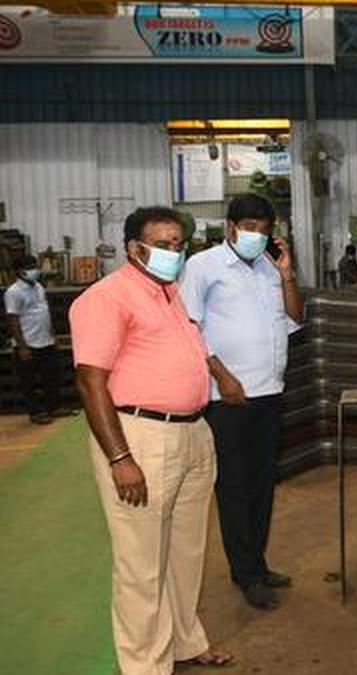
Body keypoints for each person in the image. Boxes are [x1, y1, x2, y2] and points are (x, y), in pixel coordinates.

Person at [70, 206, 232, 674]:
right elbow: (90, 383)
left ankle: (184, 641)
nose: (173, 253)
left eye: (178, 244)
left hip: (192, 432)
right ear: (134, 249)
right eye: (162, 245)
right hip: (140, 437)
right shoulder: (106, 298)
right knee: (141, 562)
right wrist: (120, 457)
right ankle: (144, 665)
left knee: (185, 552)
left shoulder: (168, 292)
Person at [180, 193, 303, 611]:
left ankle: (257, 563)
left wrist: (287, 275)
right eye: (250, 227)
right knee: (234, 486)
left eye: (264, 229)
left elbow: (296, 318)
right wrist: (223, 377)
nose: (257, 235)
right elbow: (190, 329)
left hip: (270, 392)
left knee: (263, 483)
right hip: (228, 398)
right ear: (231, 227)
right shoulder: (203, 267)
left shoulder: (269, 267)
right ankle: (246, 573)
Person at [5, 254, 65, 424]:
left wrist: (53, 336)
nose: (34, 270)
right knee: (29, 381)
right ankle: (36, 412)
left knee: (51, 376)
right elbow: (12, 319)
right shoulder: (13, 292)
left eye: (34, 266)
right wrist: (22, 346)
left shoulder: (38, 286)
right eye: (29, 268)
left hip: (46, 340)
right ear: (19, 271)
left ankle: (54, 407)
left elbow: (45, 312)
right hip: (28, 342)